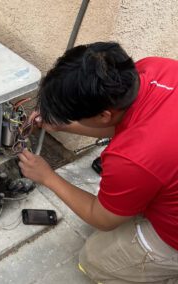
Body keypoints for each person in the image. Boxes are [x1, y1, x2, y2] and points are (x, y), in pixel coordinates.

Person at [18, 42, 178, 283]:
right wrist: (61, 122)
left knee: (93, 260)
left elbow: (101, 218)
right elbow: (124, 125)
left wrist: (47, 177)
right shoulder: (154, 70)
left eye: (73, 115)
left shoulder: (132, 160)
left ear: (104, 115)